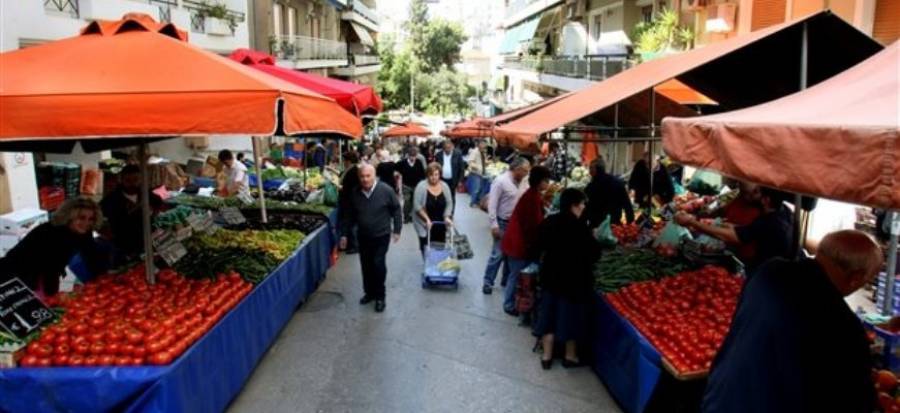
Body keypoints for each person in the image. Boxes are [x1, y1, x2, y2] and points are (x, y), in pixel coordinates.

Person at [702, 230, 880, 413]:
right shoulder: (843, 326)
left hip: (722, 397)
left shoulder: (768, 271)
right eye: (866, 280)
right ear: (856, 278)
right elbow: (855, 401)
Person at [533, 188, 603, 370]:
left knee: (548, 315)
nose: (583, 207)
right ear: (574, 205)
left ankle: (547, 356)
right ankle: (569, 356)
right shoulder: (581, 228)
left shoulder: (550, 221)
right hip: (574, 282)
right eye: (582, 204)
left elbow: (537, 244)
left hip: (550, 277)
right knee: (571, 317)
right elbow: (595, 254)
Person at [676, 186, 794, 275]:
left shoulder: (768, 221)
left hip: (768, 273)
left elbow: (733, 236)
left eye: (757, 193)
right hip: (778, 269)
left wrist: (692, 222)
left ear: (766, 200)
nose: (752, 196)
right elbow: (747, 231)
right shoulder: (785, 212)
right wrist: (725, 225)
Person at [0, 198, 105, 298]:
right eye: (81, 218)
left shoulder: (84, 232)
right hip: (16, 271)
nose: (86, 223)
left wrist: (102, 280)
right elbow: (51, 270)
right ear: (69, 217)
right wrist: (53, 297)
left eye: (91, 219)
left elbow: (91, 254)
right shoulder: (54, 233)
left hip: (39, 272)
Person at [339, 164, 402, 313]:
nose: (365, 179)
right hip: (363, 236)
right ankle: (369, 293)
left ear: (374, 176)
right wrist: (344, 234)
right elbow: (348, 215)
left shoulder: (386, 190)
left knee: (378, 264)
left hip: (381, 235)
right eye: (362, 176)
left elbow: (396, 209)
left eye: (368, 176)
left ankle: (380, 296)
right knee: (366, 265)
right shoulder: (355, 193)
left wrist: (397, 230)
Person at [500, 166, 551, 316]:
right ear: (539, 181)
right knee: (515, 275)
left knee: (513, 274)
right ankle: (508, 304)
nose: (548, 184)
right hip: (518, 243)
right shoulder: (532, 198)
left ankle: (511, 302)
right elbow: (531, 226)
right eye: (546, 181)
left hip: (515, 241)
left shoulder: (532, 195)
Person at [482, 157, 531, 295]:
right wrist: (494, 225)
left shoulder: (524, 182)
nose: (527, 174)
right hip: (502, 222)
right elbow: (492, 204)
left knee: (512, 254)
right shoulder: (501, 181)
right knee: (497, 254)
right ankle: (487, 282)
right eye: (525, 171)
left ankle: (505, 280)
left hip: (516, 224)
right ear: (517, 169)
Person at [100, 165, 164, 265]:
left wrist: (153, 214)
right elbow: (101, 216)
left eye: (136, 179)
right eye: (128, 180)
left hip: (146, 240)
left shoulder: (146, 194)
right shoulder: (112, 199)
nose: (132, 183)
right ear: (121, 180)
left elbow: (159, 203)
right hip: (122, 244)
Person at [413, 163, 454, 256]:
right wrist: (427, 219)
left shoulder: (444, 186)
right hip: (424, 222)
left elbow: (449, 202)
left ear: (440, 175)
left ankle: (438, 264)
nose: (434, 177)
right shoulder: (421, 186)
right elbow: (417, 206)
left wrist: (447, 216)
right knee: (425, 245)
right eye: (431, 175)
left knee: (440, 244)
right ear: (427, 175)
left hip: (440, 221)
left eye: (436, 174)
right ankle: (428, 265)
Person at [584, 157, 634, 228]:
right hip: (614, 224)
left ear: (597, 169)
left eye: (591, 168)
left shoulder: (593, 185)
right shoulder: (617, 182)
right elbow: (627, 205)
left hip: (597, 226)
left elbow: (587, 205)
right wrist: (630, 224)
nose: (589, 171)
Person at [434, 140, 465, 215]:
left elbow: (461, 168)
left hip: (453, 180)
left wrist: (460, 181)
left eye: (449, 148)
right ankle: (442, 212)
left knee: (451, 197)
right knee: (441, 196)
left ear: (452, 147)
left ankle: (450, 213)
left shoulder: (458, 154)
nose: (447, 150)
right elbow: (436, 167)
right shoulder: (439, 154)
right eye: (445, 148)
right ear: (443, 148)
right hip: (442, 179)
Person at [397, 146, 427, 223]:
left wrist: (423, 183)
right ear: (408, 155)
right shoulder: (403, 163)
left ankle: (413, 216)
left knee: (415, 202)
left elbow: (422, 174)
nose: (412, 158)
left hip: (416, 186)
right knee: (407, 201)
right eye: (411, 156)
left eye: (414, 156)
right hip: (406, 185)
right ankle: (406, 216)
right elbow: (396, 168)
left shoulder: (418, 162)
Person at [339, 152, 361, 254]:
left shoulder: (353, 171)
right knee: (349, 223)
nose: (343, 162)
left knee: (350, 223)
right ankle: (350, 244)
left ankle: (354, 245)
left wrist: (341, 188)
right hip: (348, 200)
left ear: (348, 161)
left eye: (344, 160)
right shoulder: (351, 170)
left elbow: (352, 187)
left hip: (350, 201)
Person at [465, 140, 489, 207]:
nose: (484, 146)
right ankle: (472, 202)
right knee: (476, 189)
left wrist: (486, 162)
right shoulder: (474, 152)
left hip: (481, 173)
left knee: (480, 188)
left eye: (485, 144)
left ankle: (477, 201)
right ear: (479, 144)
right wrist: (478, 167)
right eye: (483, 144)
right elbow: (470, 162)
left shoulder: (483, 152)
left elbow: (482, 161)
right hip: (475, 173)